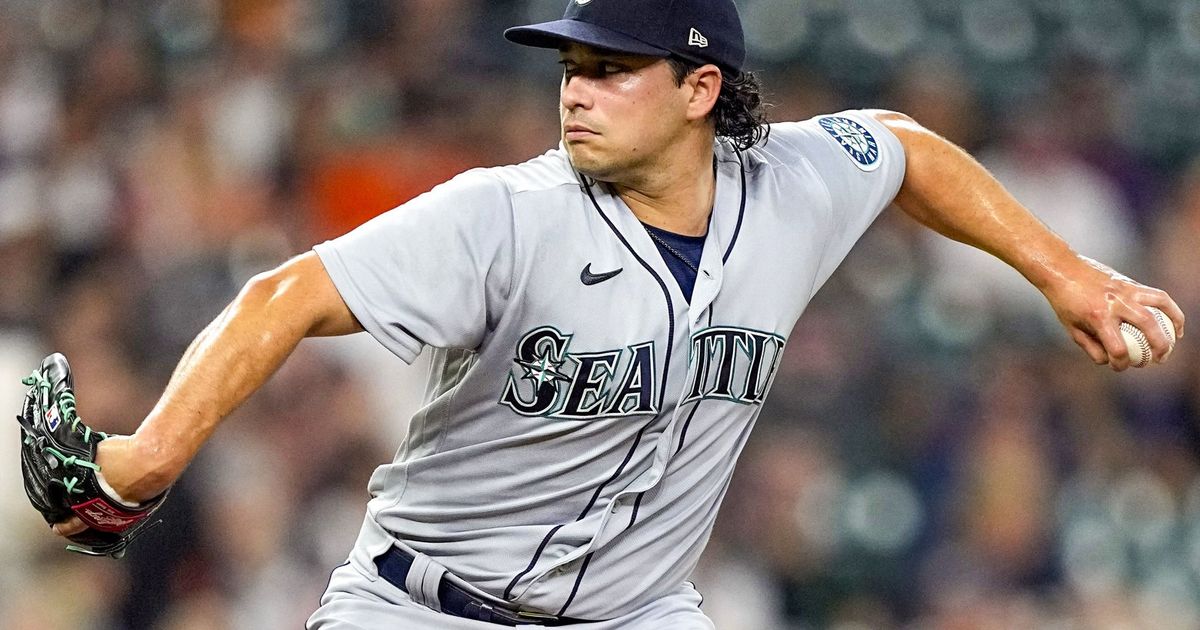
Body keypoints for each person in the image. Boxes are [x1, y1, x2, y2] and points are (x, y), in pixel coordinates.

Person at [51, 0, 1184, 628]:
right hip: (425, 613)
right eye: (572, 66)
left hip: (636, 616)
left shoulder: (790, 186)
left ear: (701, 93)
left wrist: (1064, 273)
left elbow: (904, 149)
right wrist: (150, 454)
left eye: (611, 68)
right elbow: (281, 294)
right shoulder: (503, 213)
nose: (574, 90)